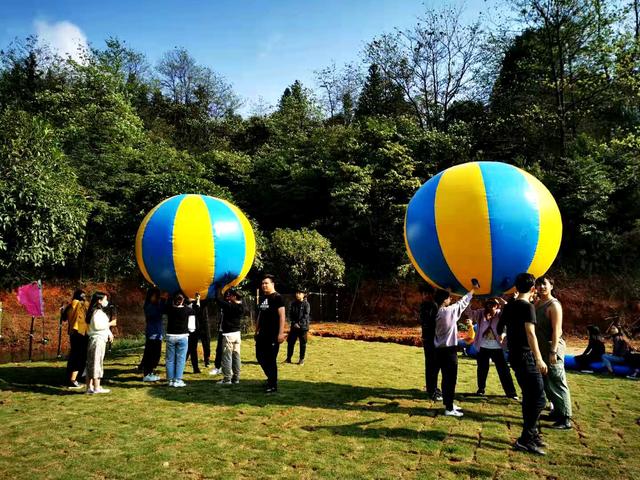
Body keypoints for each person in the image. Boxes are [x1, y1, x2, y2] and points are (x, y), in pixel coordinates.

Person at [502, 273, 548, 455]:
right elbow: (531, 334)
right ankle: (525, 439)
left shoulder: (510, 305)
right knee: (539, 398)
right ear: (532, 289)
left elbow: (501, 328)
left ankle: (533, 434)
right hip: (525, 356)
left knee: (529, 396)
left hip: (513, 355)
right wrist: (539, 358)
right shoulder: (528, 307)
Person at [433, 279, 479, 417]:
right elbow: (463, 302)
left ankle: (449, 403)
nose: (451, 299)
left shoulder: (435, 311)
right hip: (448, 351)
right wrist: (474, 289)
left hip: (439, 350)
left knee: (446, 378)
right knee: (450, 379)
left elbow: (454, 302)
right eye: (448, 298)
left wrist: (447, 290)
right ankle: (448, 408)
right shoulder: (448, 312)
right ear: (445, 300)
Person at [534, 276, 572, 430]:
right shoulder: (537, 303)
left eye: (544, 284)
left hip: (552, 347)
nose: (541, 287)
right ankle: (557, 411)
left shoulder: (554, 305)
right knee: (547, 383)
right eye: (538, 284)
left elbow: (557, 330)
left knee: (557, 381)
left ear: (551, 286)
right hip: (541, 348)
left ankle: (566, 418)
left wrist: (553, 351)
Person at [466, 298, 518, 399]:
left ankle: (511, 393)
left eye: (494, 304)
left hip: (498, 347)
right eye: (489, 304)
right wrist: (468, 300)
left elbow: (509, 309)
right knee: (482, 369)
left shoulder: (501, 313)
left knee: (504, 370)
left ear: (497, 306)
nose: (491, 306)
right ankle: (481, 389)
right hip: (483, 346)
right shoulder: (481, 313)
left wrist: (499, 298)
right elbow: (469, 312)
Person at [255, 274, 286, 393]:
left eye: (266, 283)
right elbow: (260, 315)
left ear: (272, 284)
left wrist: (280, 333)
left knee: (271, 359)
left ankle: (273, 384)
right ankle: (270, 378)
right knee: (259, 357)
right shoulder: (263, 298)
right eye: (262, 283)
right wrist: (256, 330)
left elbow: (282, 316)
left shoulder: (278, 297)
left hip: (273, 335)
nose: (264, 285)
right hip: (262, 334)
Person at [85, 292, 115, 394]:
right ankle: (96, 387)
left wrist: (109, 333)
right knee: (96, 363)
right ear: (99, 301)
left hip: (98, 339)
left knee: (92, 362)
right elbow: (98, 326)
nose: (106, 301)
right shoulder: (97, 312)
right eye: (105, 299)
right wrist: (110, 323)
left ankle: (89, 387)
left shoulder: (98, 312)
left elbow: (102, 326)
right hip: (97, 340)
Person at [165, 292, 197, 387]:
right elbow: (192, 328)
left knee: (170, 359)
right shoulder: (189, 311)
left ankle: (170, 380)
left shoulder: (169, 309)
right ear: (183, 300)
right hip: (182, 336)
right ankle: (178, 380)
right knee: (180, 359)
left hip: (170, 336)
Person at [215, 289, 245, 384]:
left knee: (227, 357)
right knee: (236, 356)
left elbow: (218, 300)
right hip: (237, 334)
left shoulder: (230, 306)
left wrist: (217, 288)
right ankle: (236, 378)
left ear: (235, 297)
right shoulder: (241, 307)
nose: (229, 297)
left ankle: (227, 379)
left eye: (231, 295)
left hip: (228, 335)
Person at [418, 284, 441, 401]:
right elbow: (430, 320)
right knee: (431, 365)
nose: (426, 296)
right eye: (424, 294)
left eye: (428, 293)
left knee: (434, 365)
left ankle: (433, 388)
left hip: (434, 339)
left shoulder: (432, 305)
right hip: (429, 340)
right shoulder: (426, 306)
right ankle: (432, 390)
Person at [63, 289, 89, 389]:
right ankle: (73, 380)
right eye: (84, 296)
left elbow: (64, 318)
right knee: (80, 357)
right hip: (80, 332)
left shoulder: (69, 306)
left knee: (74, 356)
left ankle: (71, 377)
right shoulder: (81, 304)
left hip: (73, 333)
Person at [140, 287, 166, 382]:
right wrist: (162, 301)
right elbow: (158, 312)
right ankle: (147, 374)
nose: (158, 298)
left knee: (156, 355)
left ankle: (150, 373)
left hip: (158, 334)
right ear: (151, 296)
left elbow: (164, 310)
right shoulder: (149, 306)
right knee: (151, 355)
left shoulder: (156, 304)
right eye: (156, 296)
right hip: (152, 334)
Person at [286, 288, 311, 365]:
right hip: (294, 327)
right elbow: (289, 315)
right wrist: (294, 323)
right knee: (290, 342)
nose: (297, 294)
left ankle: (301, 359)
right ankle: (288, 359)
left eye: (299, 293)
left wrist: (299, 324)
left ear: (303, 295)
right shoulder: (293, 304)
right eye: (296, 293)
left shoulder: (306, 304)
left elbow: (306, 316)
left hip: (303, 327)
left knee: (302, 343)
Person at [186, 293, 202, 373]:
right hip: (186, 332)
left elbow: (197, 309)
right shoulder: (185, 307)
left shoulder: (194, 307)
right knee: (187, 350)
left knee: (192, 350)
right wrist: (197, 300)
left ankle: (195, 368)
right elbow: (196, 309)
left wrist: (197, 300)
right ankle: (179, 367)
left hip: (194, 332)